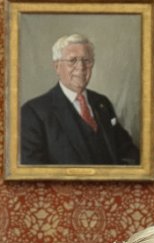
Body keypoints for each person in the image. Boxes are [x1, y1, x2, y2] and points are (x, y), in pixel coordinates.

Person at [20, 34, 140, 166]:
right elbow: (33, 171)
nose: (81, 67)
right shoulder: (33, 112)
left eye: (86, 60)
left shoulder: (102, 103)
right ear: (57, 67)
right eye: (72, 61)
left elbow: (128, 152)